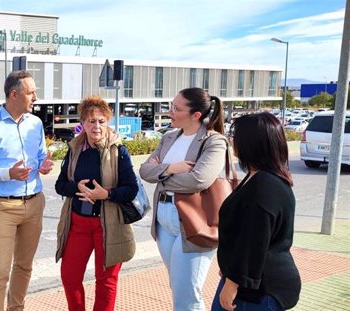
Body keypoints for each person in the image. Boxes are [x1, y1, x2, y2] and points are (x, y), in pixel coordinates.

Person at [0, 70, 54, 311]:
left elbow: (39, 154)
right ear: (14, 94)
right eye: (31, 93)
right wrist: (8, 173)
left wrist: (43, 163)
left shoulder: (36, 123)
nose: (36, 97)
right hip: (3, 206)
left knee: (25, 266)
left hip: (34, 203)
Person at [139, 87, 227, 311]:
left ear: (196, 115)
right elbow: (144, 170)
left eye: (176, 109)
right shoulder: (169, 137)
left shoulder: (213, 141)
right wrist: (172, 168)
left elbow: (198, 180)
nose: (171, 112)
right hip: (164, 219)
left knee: (187, 292)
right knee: (178, 286)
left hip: (193, 221)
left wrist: (162, 175)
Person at [54, 96, 138, 311]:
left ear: (108, 122)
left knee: (106, 280)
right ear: (83, 123)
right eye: (91, 121)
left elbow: (131, 189)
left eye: (101, 121)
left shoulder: (119, 151)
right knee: (70, 277)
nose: (97, 126)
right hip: (78, 224)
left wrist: (106, 194)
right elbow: (60, 185)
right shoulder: (74, 150)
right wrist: (76, 188)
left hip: (108, 224)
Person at [213, 113, 301, 311]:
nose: (231, 140)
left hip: (259, 289)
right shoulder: (258, 177)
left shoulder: (264, 184)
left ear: (252, 143)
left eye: (236, 136)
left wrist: (232, 282)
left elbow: (254, 240)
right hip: (249, 281)